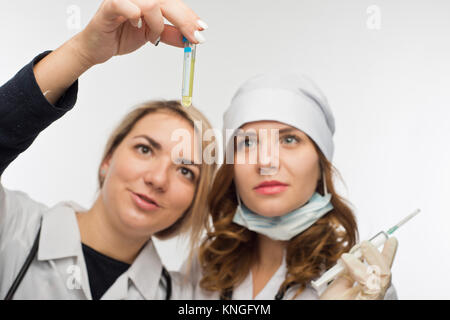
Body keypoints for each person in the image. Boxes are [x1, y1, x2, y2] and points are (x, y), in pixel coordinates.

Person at [0, 0, 214, 299]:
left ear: (195, 200)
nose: (157, 178)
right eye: (145, 149)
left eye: (185, 170)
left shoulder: (188, 298)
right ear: (108, 160)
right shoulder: (11, 227)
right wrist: (82, 51)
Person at [185, 73, 399, 300]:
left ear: (320, 163)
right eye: (247, 142)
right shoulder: (204, 268)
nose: (266, 162)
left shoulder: (359, 284)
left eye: (289, 140)